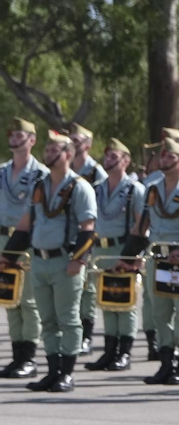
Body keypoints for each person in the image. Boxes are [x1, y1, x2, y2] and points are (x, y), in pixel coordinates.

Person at [0, 129, 97, 393]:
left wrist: (78, 261)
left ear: (68, 155)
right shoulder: (39, 186)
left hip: (64, 261)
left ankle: (67, 373)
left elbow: (88, 228)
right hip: (40, 261)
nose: (49, 154)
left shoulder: (80, 187)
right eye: (48, 150)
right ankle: (52, 371)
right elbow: (25, 224)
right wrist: (7, 256)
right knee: (48, 320)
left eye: (55, 151)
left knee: (68, 319)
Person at [132, 138, 179, 385]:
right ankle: (165, 363)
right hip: (157, 258)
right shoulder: (152, 190)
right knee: (159, 312)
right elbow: (142, 227)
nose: (164, 160)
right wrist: (133, 256)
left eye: (170, 157)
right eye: (162, 157)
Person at [82, 138, 145, 372]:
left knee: (125, 300)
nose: (108, 160)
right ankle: (109, 352)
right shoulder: (97, 188)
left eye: (114, 157)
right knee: (106, 300)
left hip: (124, 247)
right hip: (101, 249)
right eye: (107, 156)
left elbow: (141, 224)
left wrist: (131, 255)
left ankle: (124, 353)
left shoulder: (134, 189)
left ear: (126, 161)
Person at [0, 118, 47, 379]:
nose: (14, 138)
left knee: (28, 301)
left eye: (20, 135)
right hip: (2, 238)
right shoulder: (1, 171)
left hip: (27, 241)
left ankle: (29, 357)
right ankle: (16, 355)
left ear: (32, 140)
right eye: (12, 134)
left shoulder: (41, 174)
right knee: (9, 298)